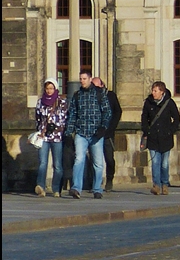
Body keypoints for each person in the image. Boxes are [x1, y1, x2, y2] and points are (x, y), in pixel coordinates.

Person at [65, 71, 111, 199]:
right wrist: (69, 131)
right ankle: (76, 187)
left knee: (98, 163)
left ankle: (97, 188)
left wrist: (103, 127)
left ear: (90, 79)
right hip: (81, 132)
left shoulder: (99, 93)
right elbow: (73, 114)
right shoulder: (77, 95)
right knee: (79, 159)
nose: (82, 81)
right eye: (80, 79)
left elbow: (107, 112)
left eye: (84, 78)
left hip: (96, 133)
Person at [141, 80, 180, 195]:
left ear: (162, 92)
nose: (153, 93)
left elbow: (177, 118)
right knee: (155, 163)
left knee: (164, 164)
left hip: (165, 138)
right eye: (153, 90)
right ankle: (156, 185)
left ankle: (165, 183)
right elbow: (144, 118)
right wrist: (146, 130)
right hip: (153, 137)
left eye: (155, 91)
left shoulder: (169, 103)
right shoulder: (148, 103)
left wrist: (171, 130)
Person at [33, 80, 68, 197]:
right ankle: (40, 186)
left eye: (51, 88)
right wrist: (40, 130)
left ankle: (56, 188)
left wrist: (56, 127)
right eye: (47, 88)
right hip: (44, 137)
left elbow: (64, 118)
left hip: (57, 137)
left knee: (57, 165)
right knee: (42, 163)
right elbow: (37, 118)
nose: (49, 91)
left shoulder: (62, 102)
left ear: (55, 89)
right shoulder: (40, 102)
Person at [90, 76, 121, 192]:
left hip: (108, 133)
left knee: (109, 158)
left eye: (96, 86)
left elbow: (118, 111)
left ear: (102, 85)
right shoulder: (91, 96)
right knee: (95, 159)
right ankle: (95, 183)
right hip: (95, 132)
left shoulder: (110, 95)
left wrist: (111, 127)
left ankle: (109, 179)